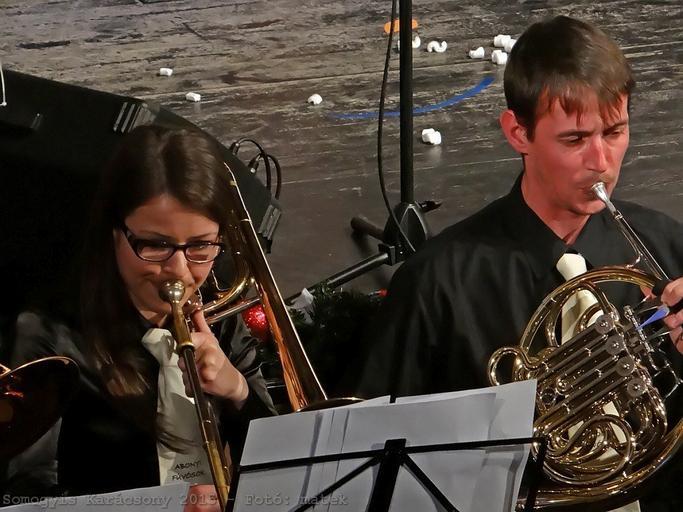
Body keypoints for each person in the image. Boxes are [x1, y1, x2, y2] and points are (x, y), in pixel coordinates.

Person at [352, 15, 683, 512]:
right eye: (575, 139)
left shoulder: (667, 249)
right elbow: (367, 458)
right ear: (517, 133)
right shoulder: (439, 282)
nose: (601, 161)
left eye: (615, 131)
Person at [5, 125, 276, 509]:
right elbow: (22, 491)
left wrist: (237, 391)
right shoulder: (49, 334)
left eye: (200, 246)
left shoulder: (219, 317)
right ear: (114, 234)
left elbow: (278, 462)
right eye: (155, 245)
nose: (179, 271)